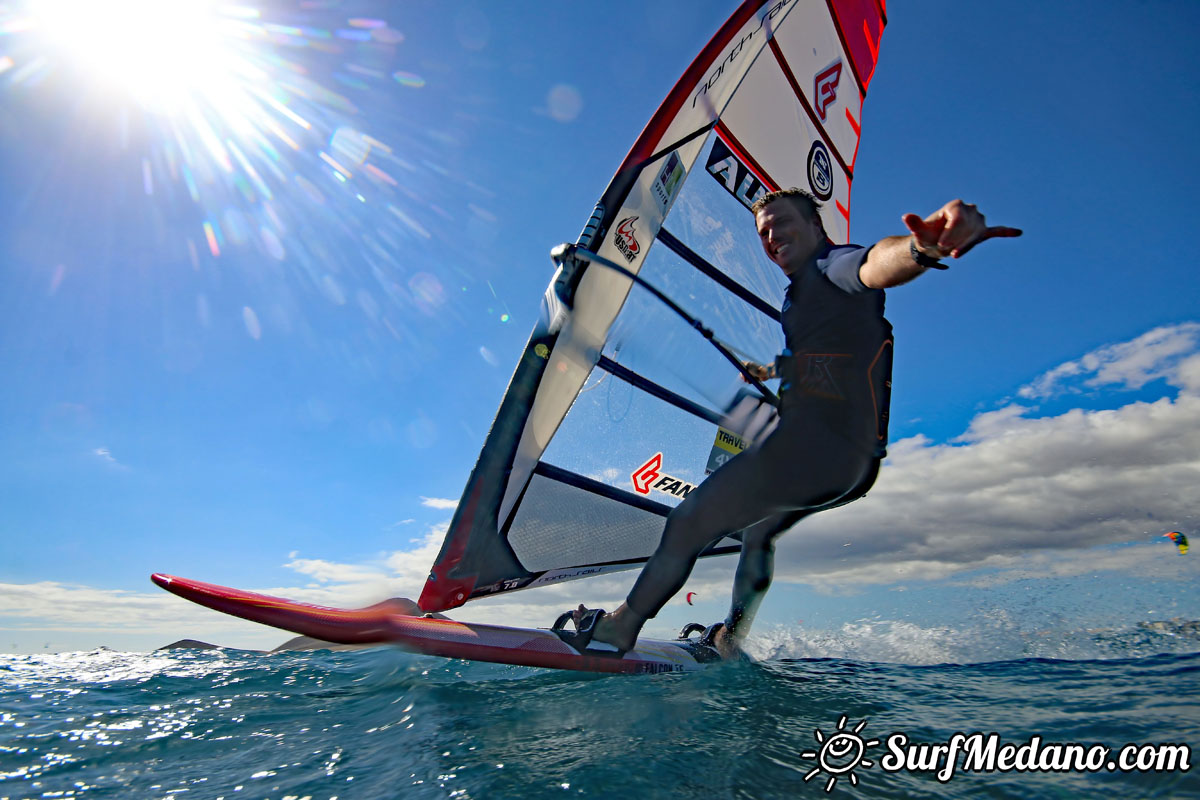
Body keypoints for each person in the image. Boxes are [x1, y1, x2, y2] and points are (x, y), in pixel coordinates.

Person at [560, 189, 1022, 657]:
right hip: (852, 464)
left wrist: (921, 249)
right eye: (763, 231)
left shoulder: (832, 266)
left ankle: (621, 627)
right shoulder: (801, 295)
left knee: (689, 520)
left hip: (813, 452)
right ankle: (730, 639)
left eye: (781, 224)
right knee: (759, 532)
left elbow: (872, 265)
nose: (771, 236)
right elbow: (831, 354)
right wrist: (773, 371)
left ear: (816, 227)